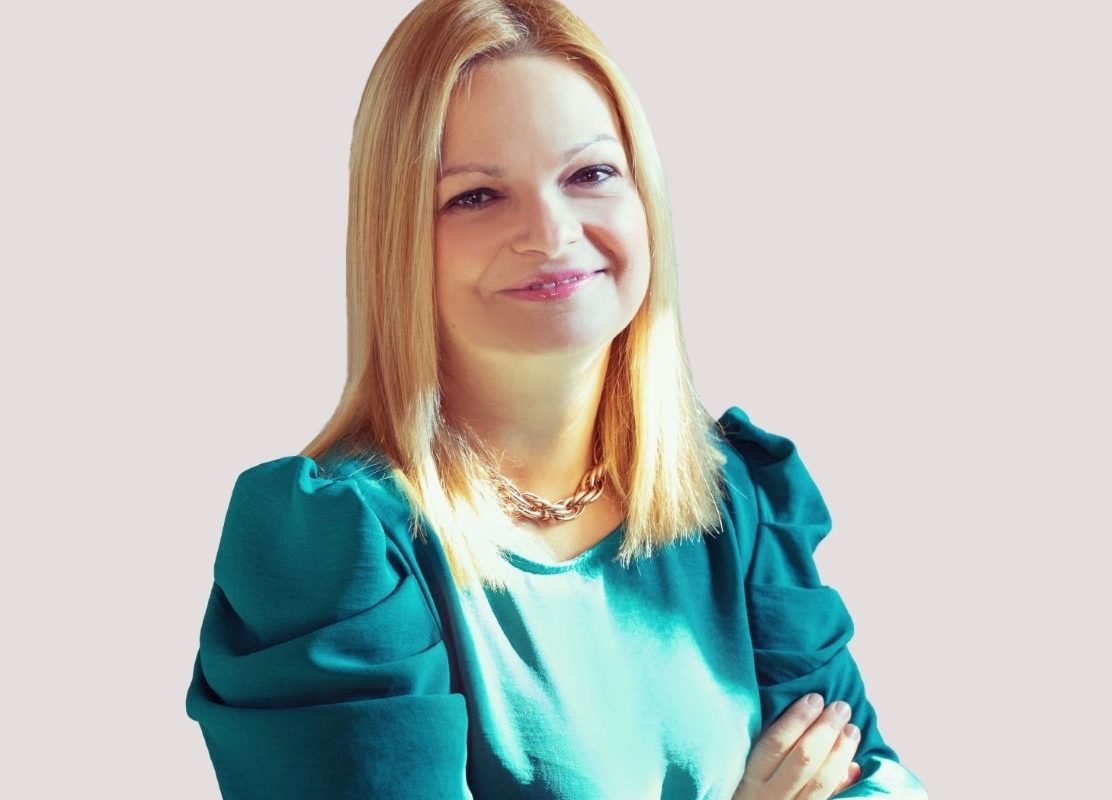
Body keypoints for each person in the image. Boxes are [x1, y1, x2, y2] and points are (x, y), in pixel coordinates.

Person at [184, 1, 929, 798]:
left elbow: (874, 777)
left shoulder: (740, 498)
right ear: (398, 241)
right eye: (476, 196)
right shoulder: (331, 547)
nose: (550, 232)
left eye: (589, 175)